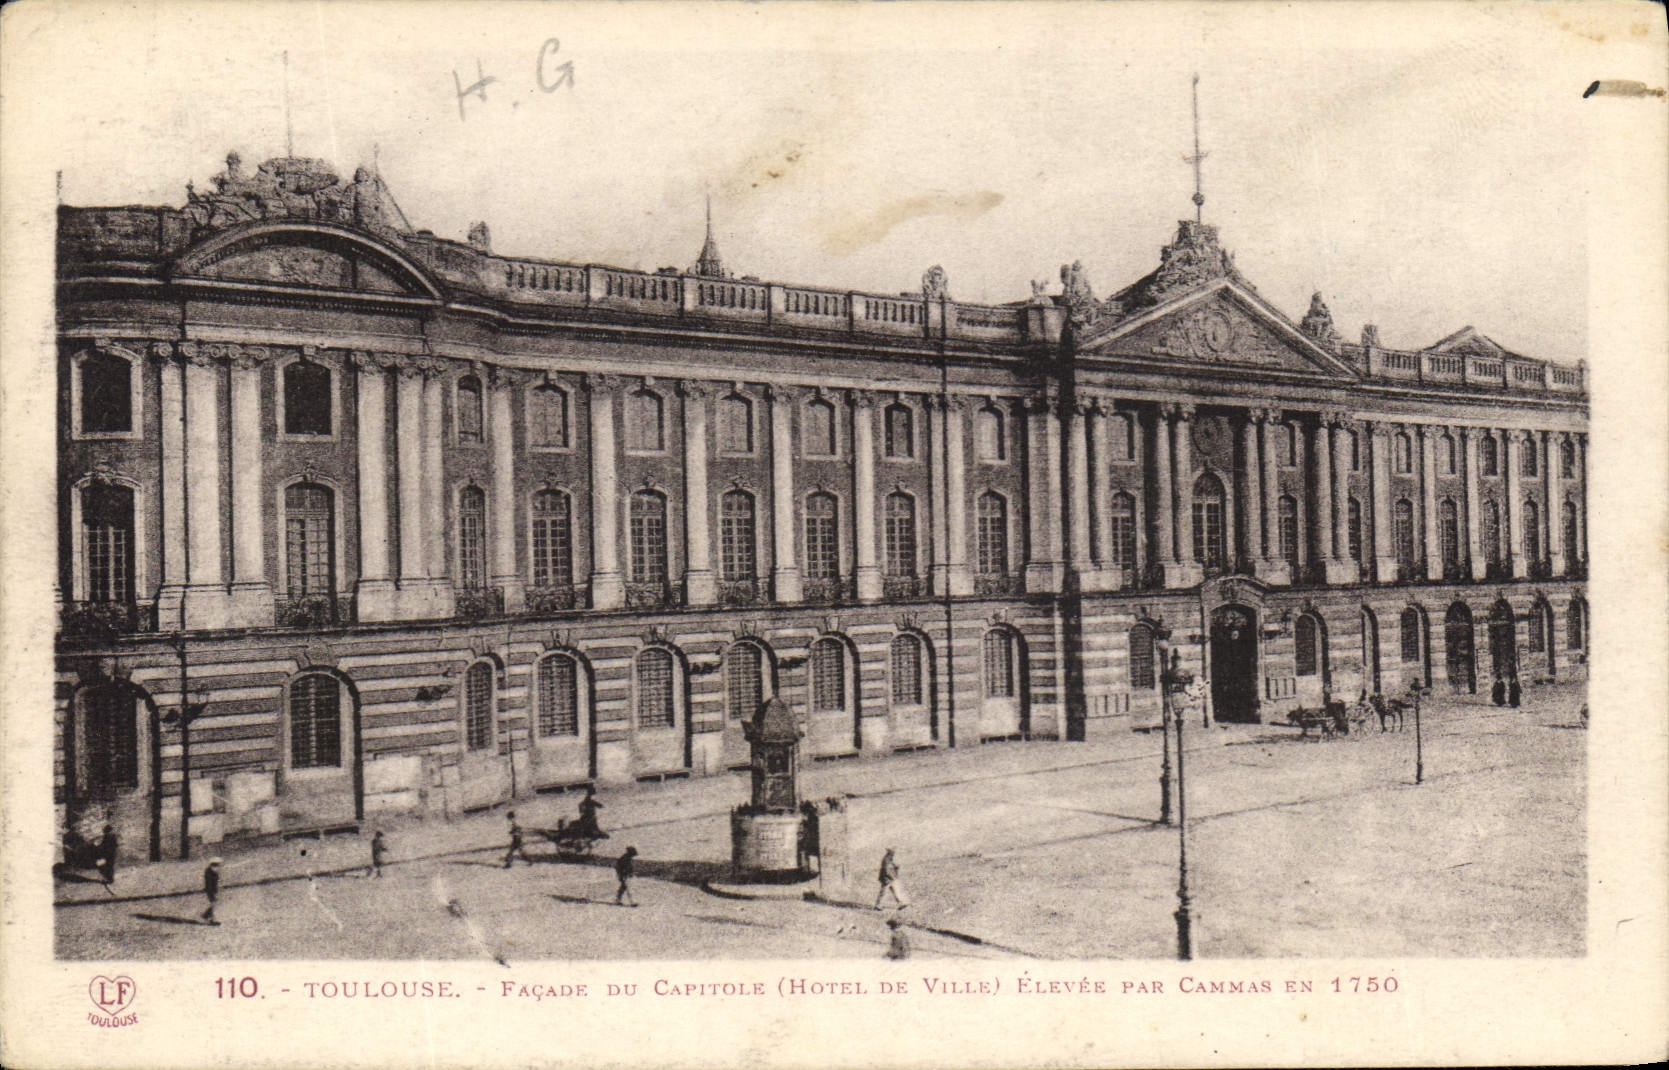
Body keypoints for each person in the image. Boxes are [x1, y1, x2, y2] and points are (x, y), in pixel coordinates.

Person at [200, 858, 222, 924]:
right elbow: (209, 884)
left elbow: (216, 882)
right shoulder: (209, 873)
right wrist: (212, 893)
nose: (218, 868)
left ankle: (206, 915)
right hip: (210, 891)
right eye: (216, 866)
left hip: (213, 890)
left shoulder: (213, 872)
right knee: (213, 904)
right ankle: (211, 918)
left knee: (213, 904)